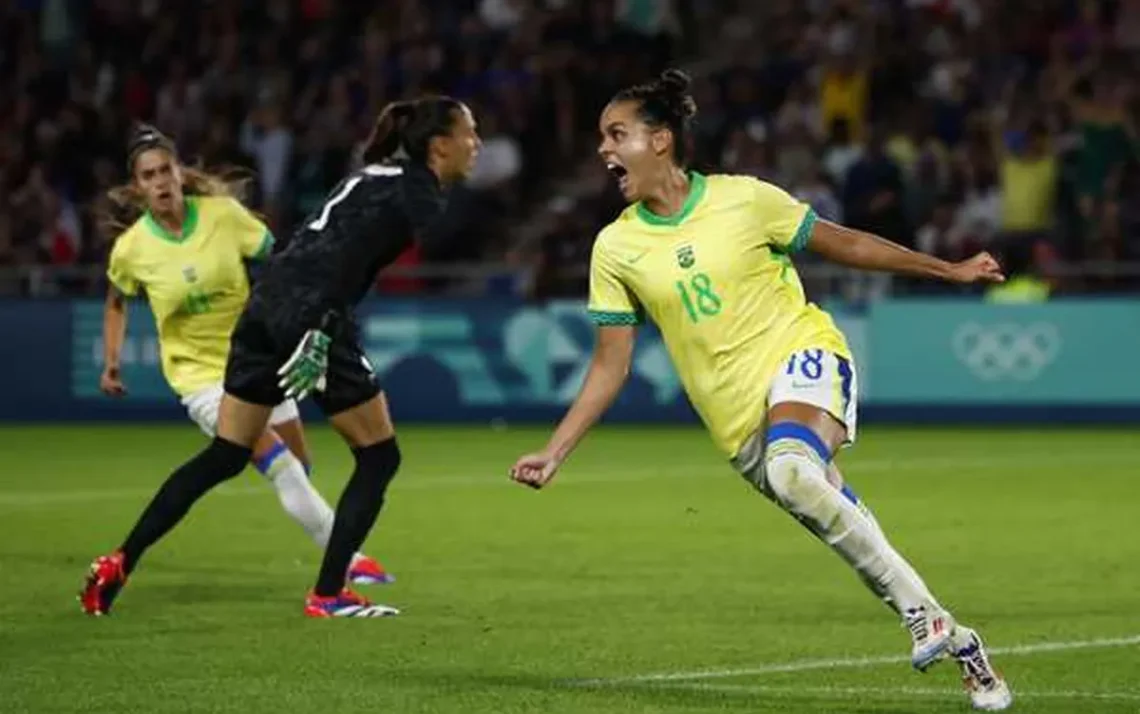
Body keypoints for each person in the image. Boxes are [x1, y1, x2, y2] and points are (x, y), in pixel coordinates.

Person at [508, 70, 1013, 711]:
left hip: (802, 355)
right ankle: (949, 631)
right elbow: (611, 363)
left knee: (795, 469)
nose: (604, 150)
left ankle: (930, 623)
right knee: (835, 517)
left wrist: (945, 268)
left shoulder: (744, 199)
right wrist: (557, 451)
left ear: (661, 140)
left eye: (617, 135)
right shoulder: (616, 247)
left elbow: (845, 242)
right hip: (735, 420)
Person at [81, 101, 479, 617]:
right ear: (439, 144)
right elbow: (348, 261)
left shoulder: (379, 173)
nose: (478, 144)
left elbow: (309, 245)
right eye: (471, 133)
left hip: (265, 305)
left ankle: (118, 561)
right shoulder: (417, 192)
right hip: (309, 313)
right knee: (380, 457)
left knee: (226, 454)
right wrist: (322, 330)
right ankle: (330, 593)